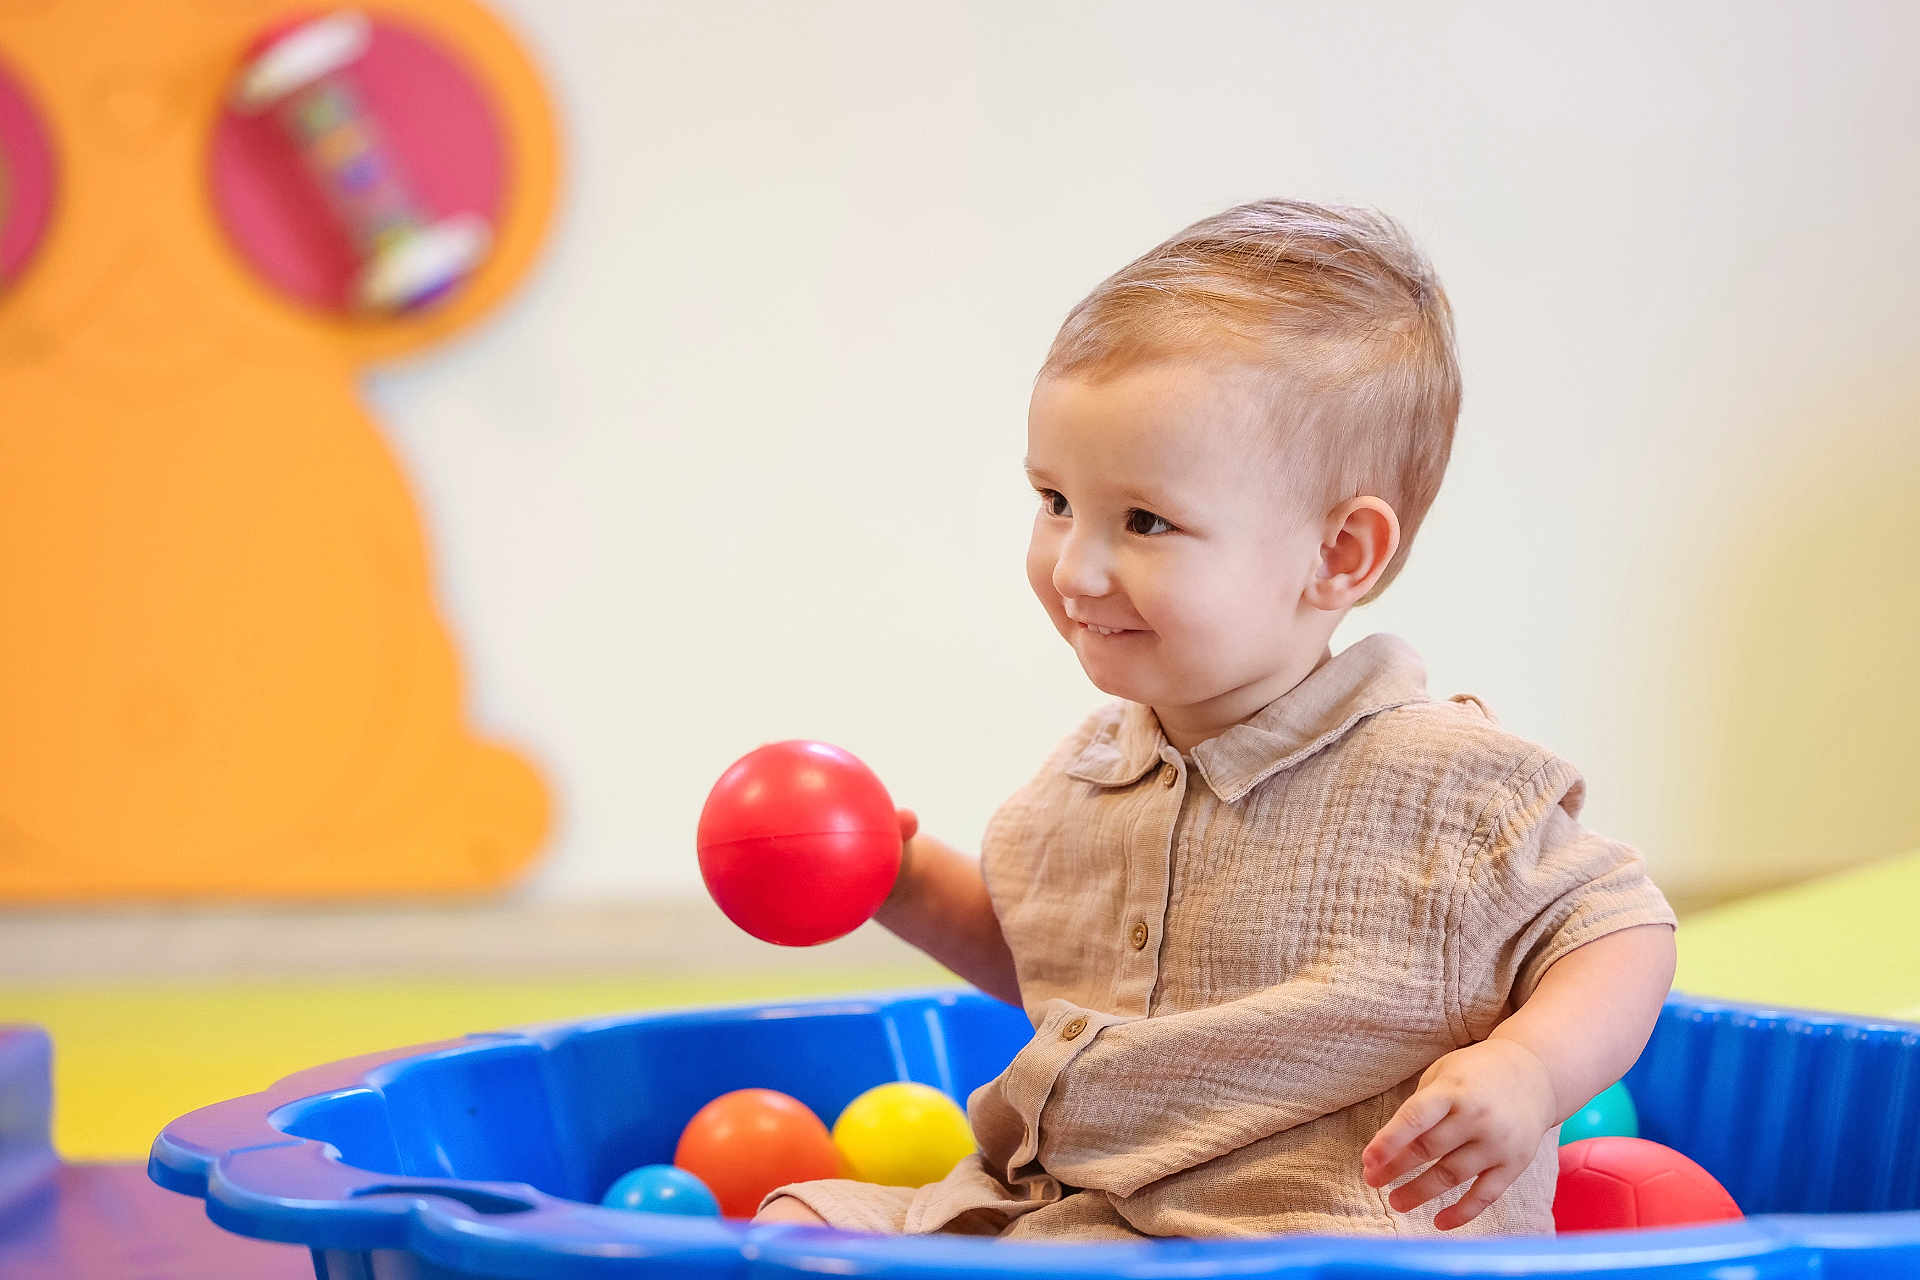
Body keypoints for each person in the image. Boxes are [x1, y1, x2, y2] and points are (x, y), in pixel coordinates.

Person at [758, 199, 1678, 1240]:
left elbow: (1619, 924)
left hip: (1305, 1234)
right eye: (1055, 500)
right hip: (1067, 1203)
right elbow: (1063, 969)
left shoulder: (1440, 779)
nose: (1076, 565)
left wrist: (1530, 1066)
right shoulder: (1091, 775)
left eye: (1145, 520)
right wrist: (906, 880)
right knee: (796, 1221)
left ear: (1339, 555)